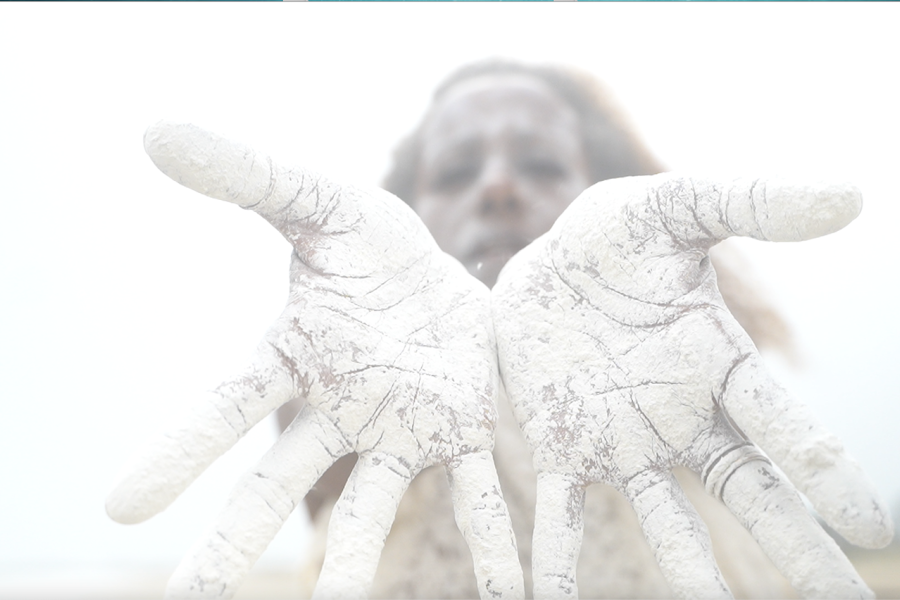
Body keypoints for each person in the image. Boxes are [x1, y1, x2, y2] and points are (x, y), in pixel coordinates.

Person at [286, 59, 799, 598]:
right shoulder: (366, 377)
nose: (499, 187)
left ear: (607, 201)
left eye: (542, 166)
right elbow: (322, 462)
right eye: (455, 173)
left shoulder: (675, 362)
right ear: (407, 217)